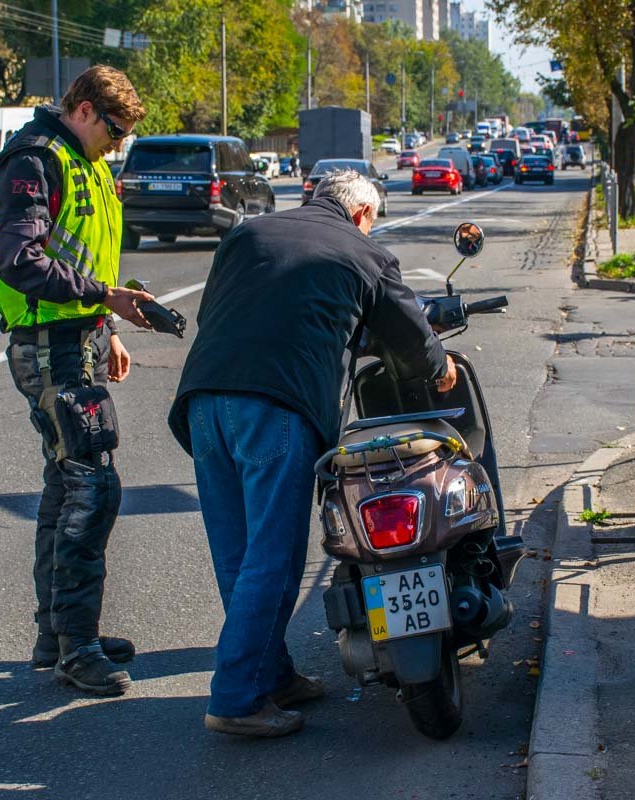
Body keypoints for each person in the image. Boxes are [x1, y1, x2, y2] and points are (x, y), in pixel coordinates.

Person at [167, 169, 457, 738]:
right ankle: (236, 698)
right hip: (276, 405)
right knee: (273, 556)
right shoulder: (366, 253)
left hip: (203, 400)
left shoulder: (248, 233)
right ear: (362, 214)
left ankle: (269, 675)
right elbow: (410, 338)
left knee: (238, 554)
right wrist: (439, 367)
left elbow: (218, 313)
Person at [0, 65, 155, 696]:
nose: (118, 144)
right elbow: (19, 259)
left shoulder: (87, 162)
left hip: (77, 337)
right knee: (93, 487)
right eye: (114, 131)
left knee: (67, 484)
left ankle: (57, 634)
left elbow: (86, 253)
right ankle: (76, 648)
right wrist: (104, 299)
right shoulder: (34, 160)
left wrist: (106, 325)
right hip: (48, 345)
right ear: (84, 109)